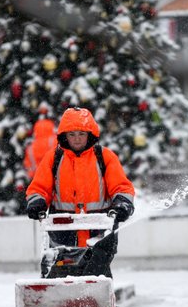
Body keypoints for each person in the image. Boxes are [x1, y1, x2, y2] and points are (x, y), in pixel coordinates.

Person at [25, 107, 135, 276]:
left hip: (99, 229)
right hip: (62, 230)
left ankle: (98, 299)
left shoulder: (104, 157)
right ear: (64, 136)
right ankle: (59, 298)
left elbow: (121, 186)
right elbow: (39, 187)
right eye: (72, 134)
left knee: (97, 272)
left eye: (81, 134)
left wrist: (122, 203)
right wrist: (37, 202)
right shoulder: (54, 158)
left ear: (90, 134)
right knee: (60, 269)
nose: (77, 139)